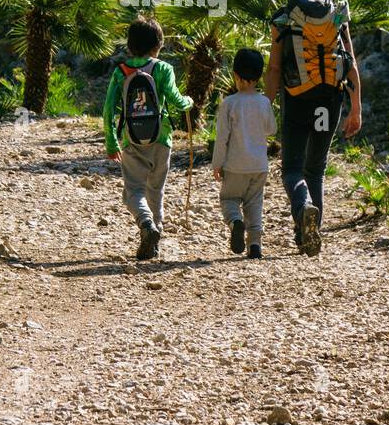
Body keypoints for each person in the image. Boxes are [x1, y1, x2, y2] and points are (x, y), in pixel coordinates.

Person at [264, 0, 362, 256]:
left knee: (292, 168)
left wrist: (264, 105)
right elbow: (351, 61)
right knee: (316, 169)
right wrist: (356, 106)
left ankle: (303, 208)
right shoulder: (337, 12)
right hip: (330, 96)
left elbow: (276, 67)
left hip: (297, 96)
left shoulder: (284, 15)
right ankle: (311, 233)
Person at [103, 16, 193, 260]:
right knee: (156, 189)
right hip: (161, 139)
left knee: (133, 190)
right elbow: (176, 100)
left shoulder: (121, 73)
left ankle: (145, 223)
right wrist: (189, 102)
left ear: (130, 46)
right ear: (159, 45)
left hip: (131, 140)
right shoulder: (163, 69)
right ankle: (157, 234)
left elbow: (109, 110)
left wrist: (111, 141)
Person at [211, 48, 275, 260]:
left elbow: (222, 138)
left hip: (235, 165)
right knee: (255, 202)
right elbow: (271, 129)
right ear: (259, 77)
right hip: (259, 165)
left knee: (228, 199)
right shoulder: (264, 102)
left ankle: (236, 222)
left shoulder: (229, 103)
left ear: (235, 75)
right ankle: (255, 244)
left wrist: (217, 164)